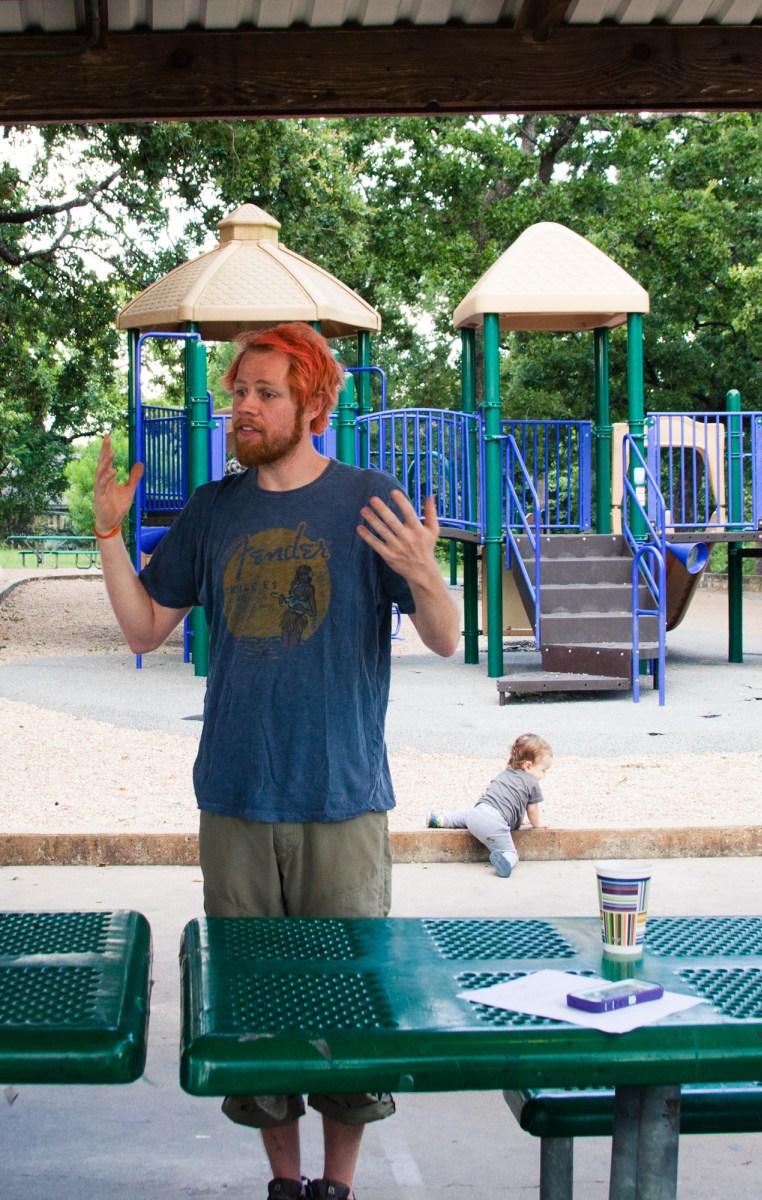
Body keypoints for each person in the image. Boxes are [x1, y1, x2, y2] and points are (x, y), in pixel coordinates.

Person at [93, 322, 460, 1200]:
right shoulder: (216, 509)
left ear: (313, 404)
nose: (243, 408)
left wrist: (427, 571)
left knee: (346, 1005)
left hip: (342, 800)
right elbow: (146, 629)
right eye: (238, 394)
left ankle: (337, 1186)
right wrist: (110, 536)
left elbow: (445, 641)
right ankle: (285, 1184)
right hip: (235, 799)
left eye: (264, 392)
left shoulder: (369, 500)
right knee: (256, 1016)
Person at [427, 733, 552, 877]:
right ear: (528, 766)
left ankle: (440, 820)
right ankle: (505, 861)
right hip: (495, 826)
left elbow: (504, 801)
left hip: (477, 813)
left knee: (464, 815)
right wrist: (537, 824)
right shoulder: (532, 783)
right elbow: (533, 810)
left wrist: (519, 820)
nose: (544, 775)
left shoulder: (506, 773)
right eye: (543, 770)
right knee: (511, 853)